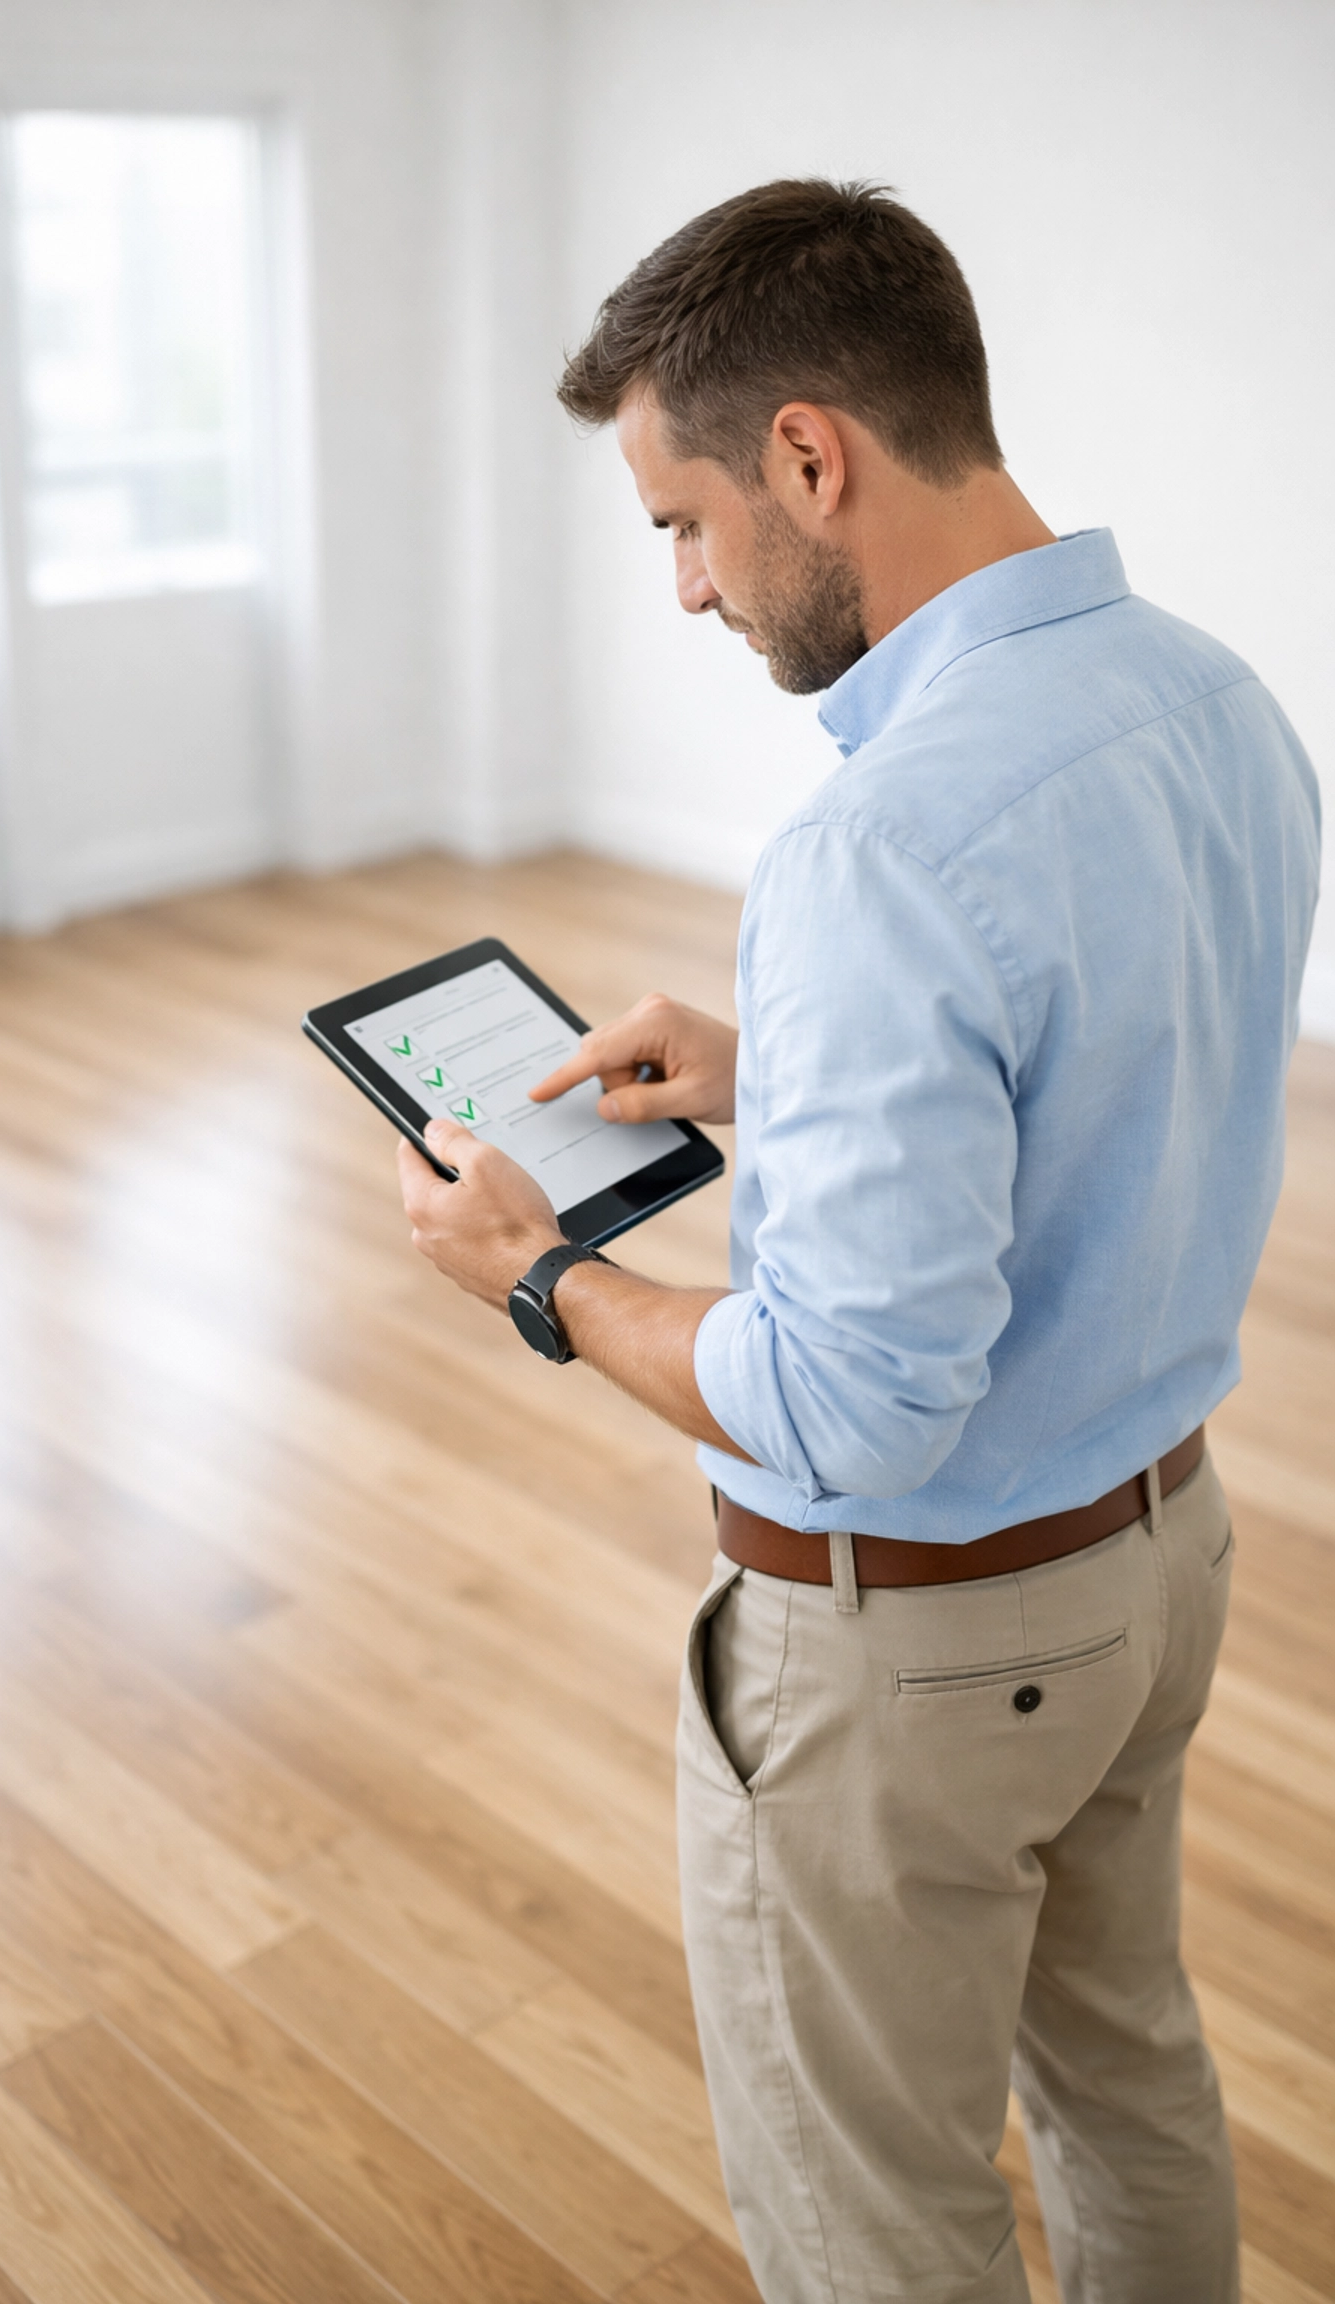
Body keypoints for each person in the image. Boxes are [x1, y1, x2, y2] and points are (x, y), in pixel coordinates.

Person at [396, 179, 1321, 2304]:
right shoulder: (1217, 701)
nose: (693, 589)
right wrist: (772, 1066)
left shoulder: (879, 844)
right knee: (1129, 2081)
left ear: (812, 454)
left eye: (684, 525)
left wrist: (545, 1275)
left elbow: (846, 1404)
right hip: (1158, 1564)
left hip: (921, 1647)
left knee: (872, 2215)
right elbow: (1114, 1058)